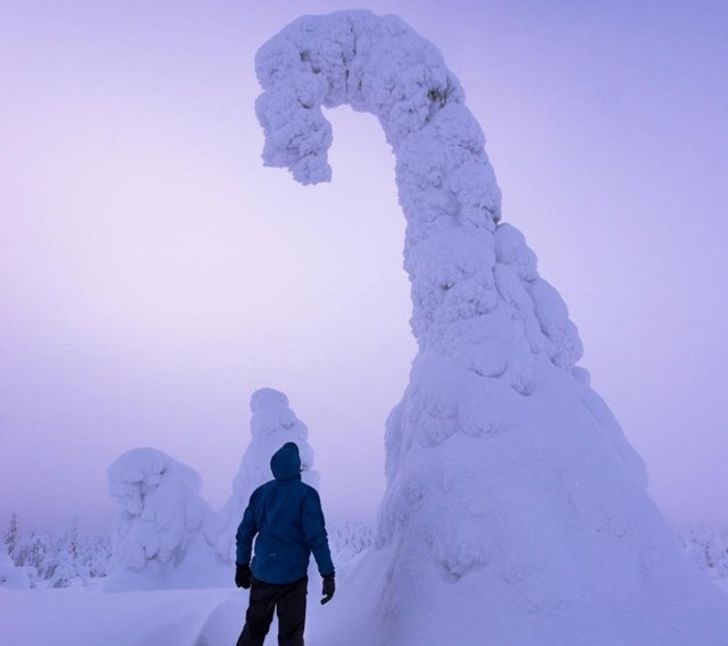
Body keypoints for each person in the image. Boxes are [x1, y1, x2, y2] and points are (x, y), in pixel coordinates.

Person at [235, 442, 335, 646]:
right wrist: (328, 574)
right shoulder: (307, 495)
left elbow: (244, 533)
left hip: (262, 577)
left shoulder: (261, 493)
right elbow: (317, 537)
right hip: (293, 580)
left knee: (254, 629)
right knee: (291, 638)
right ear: (297, 465)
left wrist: (242, 565)